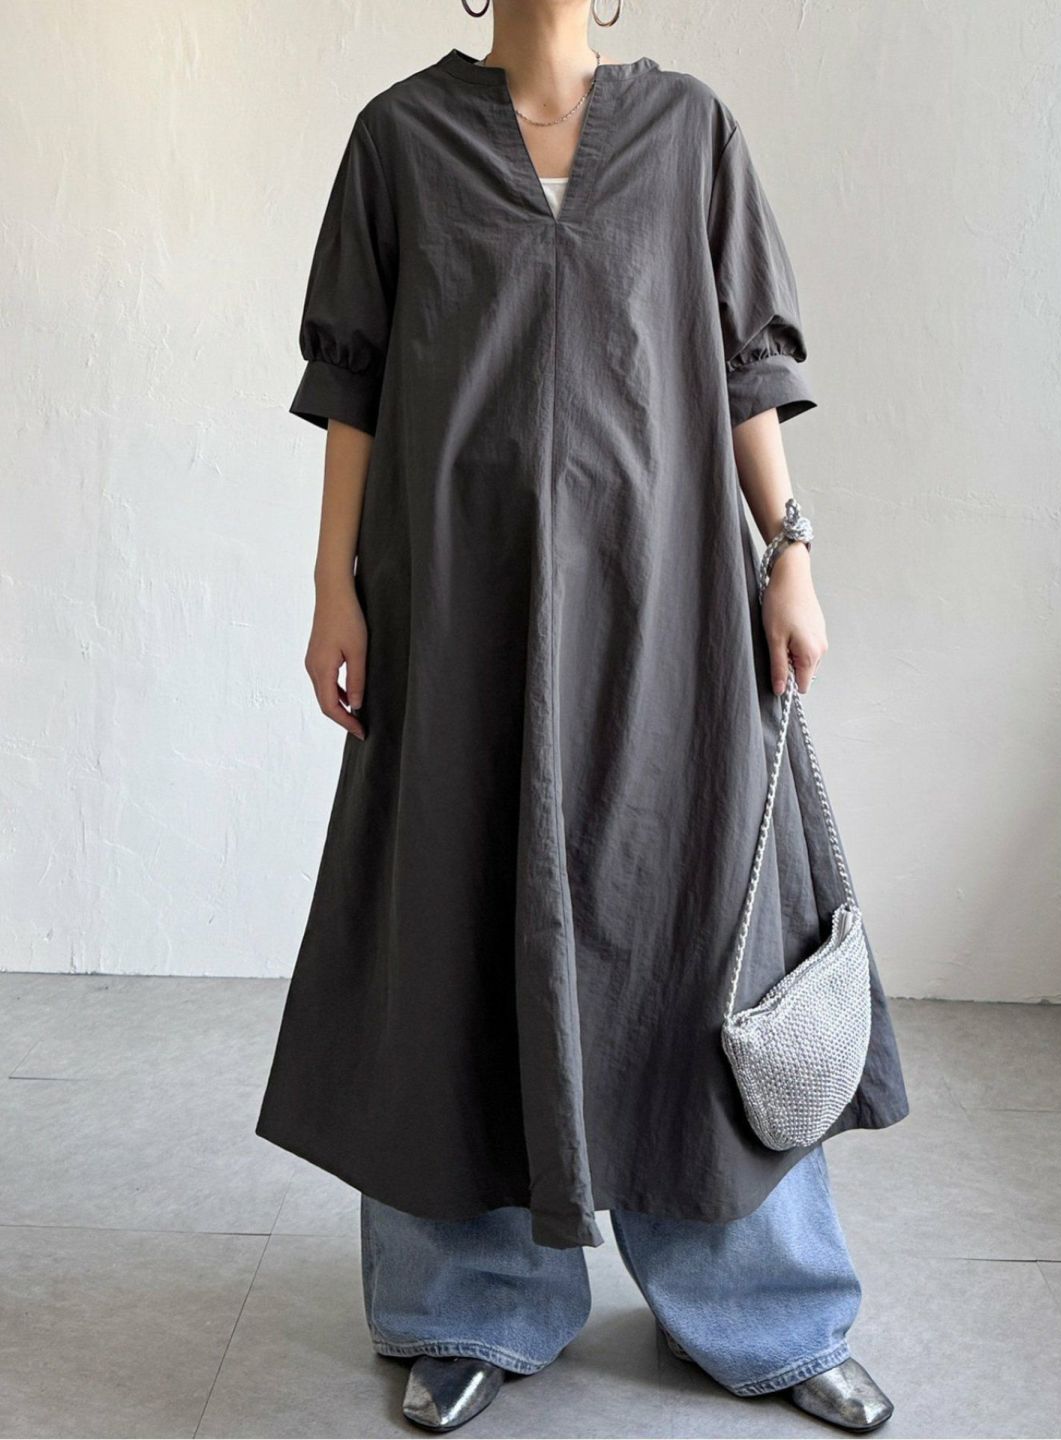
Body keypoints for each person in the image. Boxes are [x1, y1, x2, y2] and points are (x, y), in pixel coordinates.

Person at [257, 1, 910, 1431]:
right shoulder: (400, 140)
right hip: (454, 599)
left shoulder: (689, 133)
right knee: (453, 927)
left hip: (670, 598)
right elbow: (354, 380)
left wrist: (790, 547)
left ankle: (764, 1306)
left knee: (700, 930)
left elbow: (745, 363)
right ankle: (465, 1302)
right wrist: (332, 586)